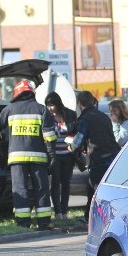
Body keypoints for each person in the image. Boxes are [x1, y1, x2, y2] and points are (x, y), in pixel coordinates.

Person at [0, 79, 56, 229]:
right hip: (39, 158)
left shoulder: (9, 109)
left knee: (20, 188)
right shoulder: (41, 109)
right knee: (41, 188)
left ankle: (23, 223)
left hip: (16, 158)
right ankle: (44, 222)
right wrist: (52, 156)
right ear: (32, 93)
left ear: (17, 93)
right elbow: (50, 136)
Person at [70, 90, 121, 223]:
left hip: (99, 159)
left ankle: (91, 218)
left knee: (94, 190)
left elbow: (77, 141)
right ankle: (110, 216)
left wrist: (71, 147)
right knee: (107, 190)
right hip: (113, 157)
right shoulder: (103, 116)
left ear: (80, 104)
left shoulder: (85, 119)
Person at [42, 91, 78, 220]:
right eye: (48, 105)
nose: (50, 108)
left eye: (52, 105)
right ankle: (57, 212)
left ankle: (64, 211)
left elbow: (76, 132)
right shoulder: (47, 117)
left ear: (57, 104)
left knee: (66, 183)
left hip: (68, 154)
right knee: (56, 183)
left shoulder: (69, 114)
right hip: (54, 155)